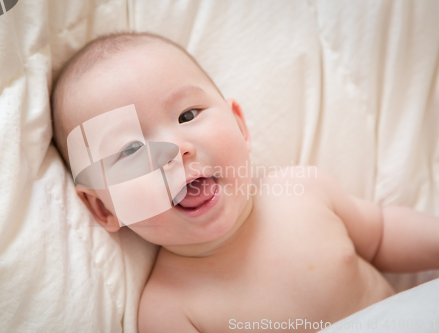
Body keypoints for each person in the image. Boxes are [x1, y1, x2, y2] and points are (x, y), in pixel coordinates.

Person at [50, 32, 439, 332]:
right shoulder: (169, 310)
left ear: (240, 126)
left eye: (187, 115)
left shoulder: (302, 190)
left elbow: (383, 234)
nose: (175, 149)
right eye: (131, 148)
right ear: (103, 207)